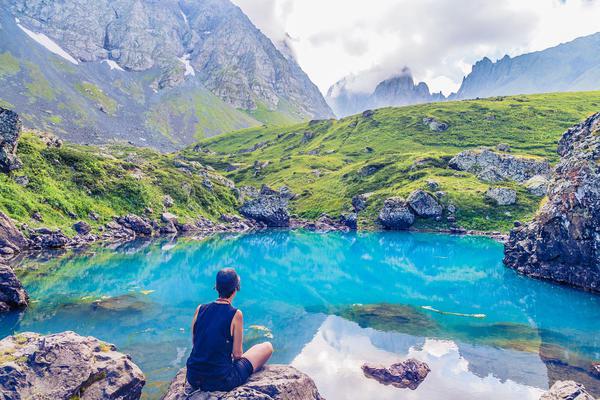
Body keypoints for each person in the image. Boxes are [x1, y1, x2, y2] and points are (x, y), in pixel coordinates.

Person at [185, 268, 273, 392]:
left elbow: (196, 343)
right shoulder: (236, 314)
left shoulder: (200, 309)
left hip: (193, 377)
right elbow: (237, 355)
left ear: (216, 287)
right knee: (267, 347)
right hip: (220, 381)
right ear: (236, 288)